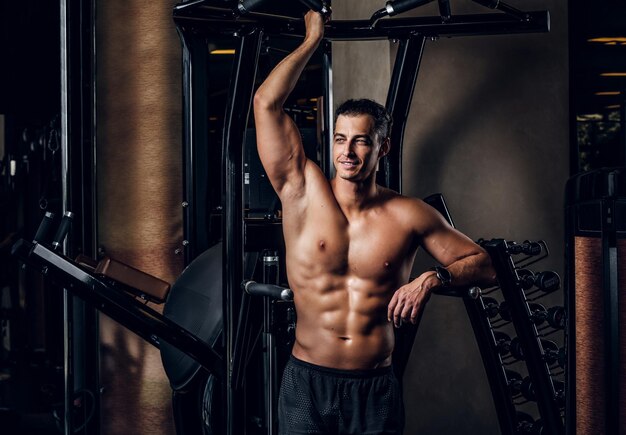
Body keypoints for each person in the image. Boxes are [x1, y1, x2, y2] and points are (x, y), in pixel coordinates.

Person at [253, 10, 496, 435]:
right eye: (341, 139)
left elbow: (484, 264)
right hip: (307, 381)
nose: (348, 152)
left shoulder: (409, 214)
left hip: (375, 387)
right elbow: (265, 103)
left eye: (362, 140)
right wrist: (313, 39)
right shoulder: (301, 191)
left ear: (382, 148)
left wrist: (431, 279)